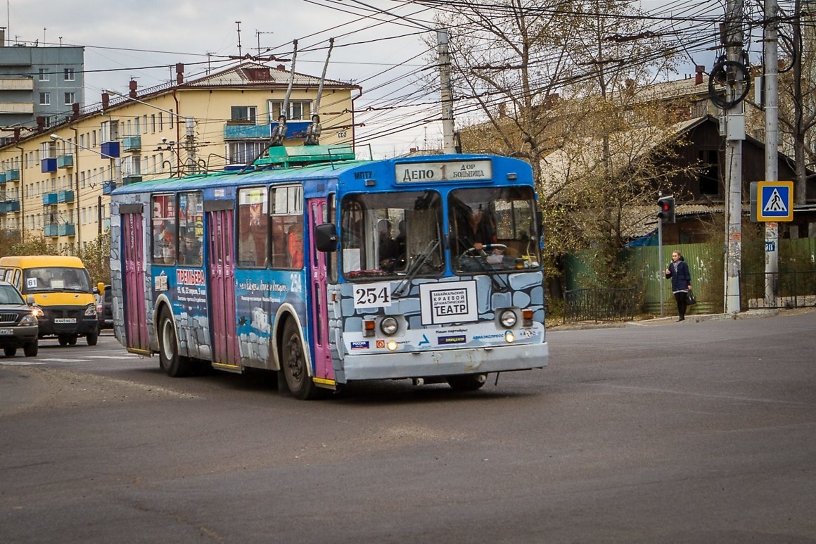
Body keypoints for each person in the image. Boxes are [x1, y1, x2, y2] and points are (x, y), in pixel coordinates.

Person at [665, 250, 692, 321]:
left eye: (675, 256)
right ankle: (680, 315)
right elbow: (668, 276)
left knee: (682, 300)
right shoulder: (671, 265)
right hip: (675, 285)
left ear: (679, 256)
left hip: (683, 284)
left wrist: (688, 284)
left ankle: (682, 316)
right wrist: (667, 273)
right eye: (673, 256)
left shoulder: (684, 264)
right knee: (678, 301)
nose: (674, 257)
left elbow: (687, 274)